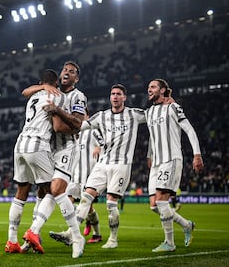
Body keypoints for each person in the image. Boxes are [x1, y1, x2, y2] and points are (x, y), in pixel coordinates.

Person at [55, 84, 147, 249]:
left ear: (124, 97)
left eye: (119, 94)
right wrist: (60, 119)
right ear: (110, 97)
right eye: (113, 94)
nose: (115, 97)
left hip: (121, 165)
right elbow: (79, 126)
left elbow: (153, 116)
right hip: (102, 163)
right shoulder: (101, 117)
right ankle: (71, 234)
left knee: (111, 204)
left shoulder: (133, 114)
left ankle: (113, 239)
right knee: (86, 197)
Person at [22, 61, 87, 258]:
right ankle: (33, 233)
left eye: (72, 72)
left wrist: (57, 110)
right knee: (46, 191)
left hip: (67, 147)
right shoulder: (50, 92)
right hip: (48, 148)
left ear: (76, 78)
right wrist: (44, 86)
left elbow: (76, 124)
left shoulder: (78, 96)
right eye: (65, 70)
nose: (67, 72)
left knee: (57, 189)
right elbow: (25, 91)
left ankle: (76, 237)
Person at [5, 69, 66, 253]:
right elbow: (57, 126)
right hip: (38, 145)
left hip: (20, 144)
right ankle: (33, 231)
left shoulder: (33, 96)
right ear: (55, 83)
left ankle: (12, 241)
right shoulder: (56, 96)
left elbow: (24, 91)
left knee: (21, 191)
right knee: (54, 191)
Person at [145, 78, 204, 252]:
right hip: (156, 163)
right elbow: (152, 135)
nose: (149, 89)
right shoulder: (149, 113)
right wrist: (149, 154)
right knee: (154, 205)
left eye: (153, 86)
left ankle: (169, 243)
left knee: (162, 202)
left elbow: (189, 129)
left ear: (162, 90)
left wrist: (197, 154)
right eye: (148, 87)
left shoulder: (173, 107)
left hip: (171, 159)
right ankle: (187, 225)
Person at [49, 109, 104, 244]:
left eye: (82, 115)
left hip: (88, 176)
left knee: (88, 207)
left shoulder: (93, 131)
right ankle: (76, 229)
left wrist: (100, 148)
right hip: (75, 176)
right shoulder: (73, 132)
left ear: (88, 116)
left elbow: (106, 143)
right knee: (67, 201)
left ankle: (96, 234)